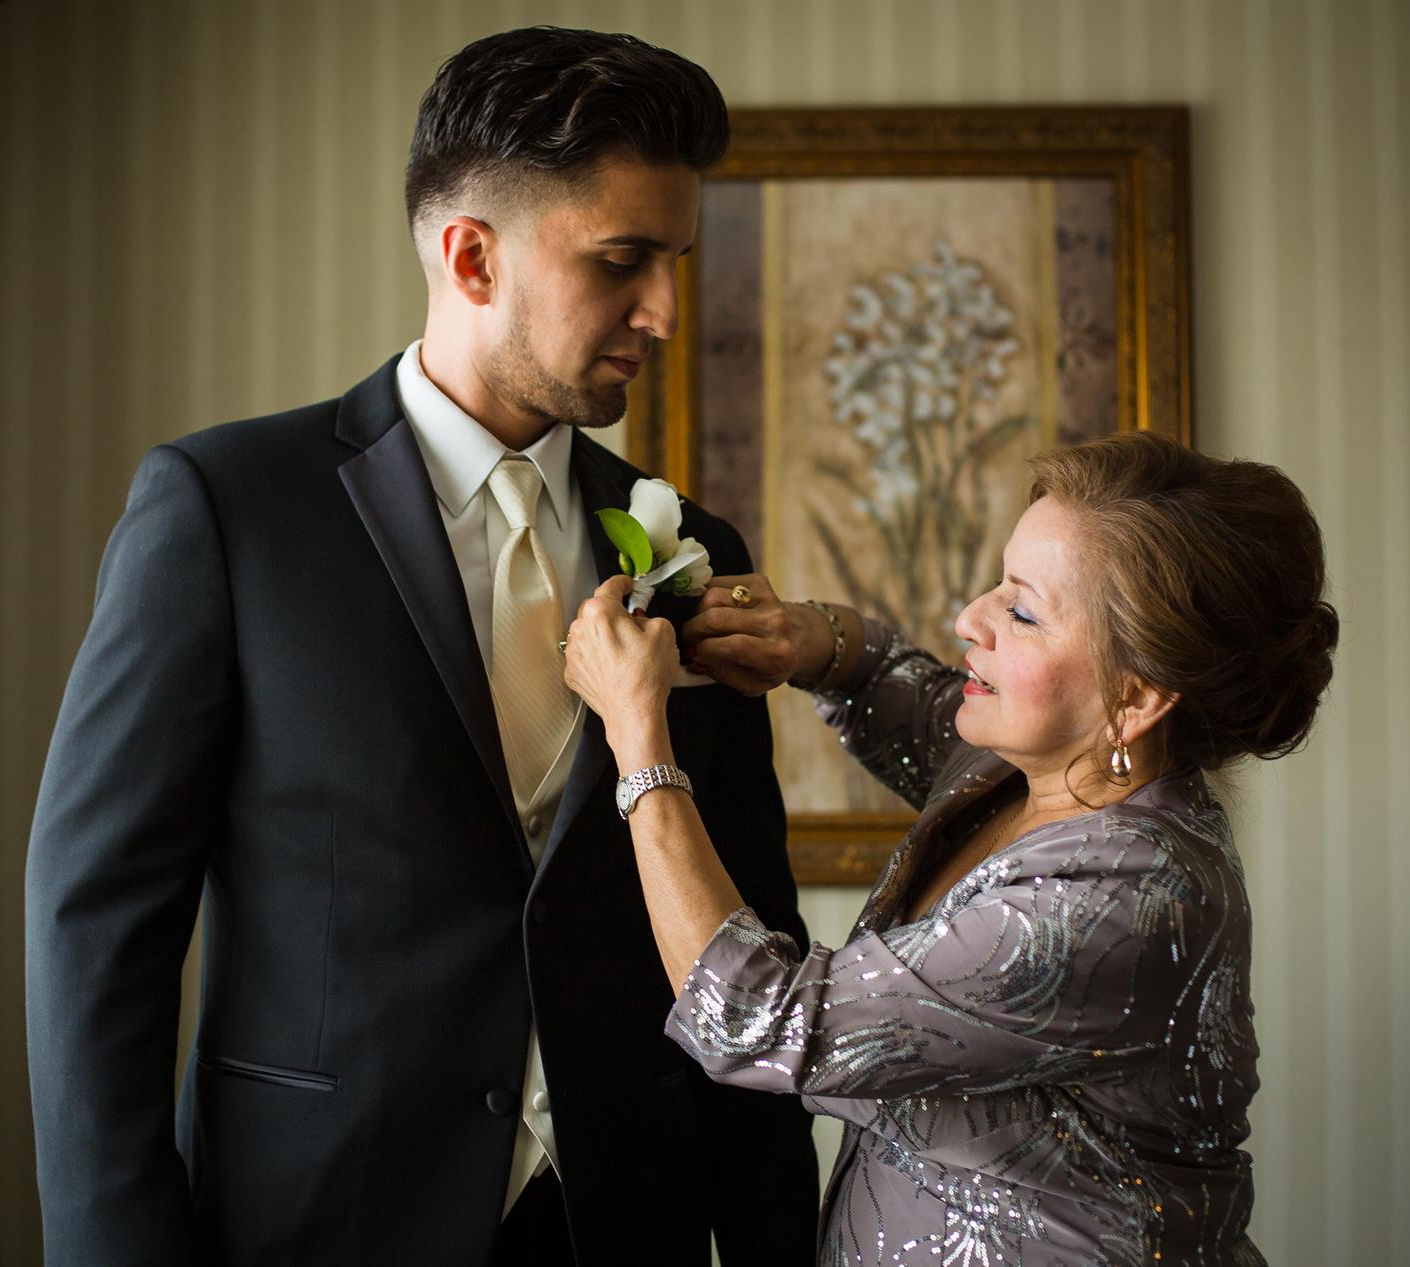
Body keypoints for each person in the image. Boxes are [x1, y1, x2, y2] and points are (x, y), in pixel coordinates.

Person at [23, 25, 817, 1267]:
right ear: (471, 256)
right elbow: (96, 924)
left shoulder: (690, 548)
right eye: (623, 261)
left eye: (673, 262)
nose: (664, 312)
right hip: (318, 1220)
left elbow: (749, 919)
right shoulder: (228, 511)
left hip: (622, 1227)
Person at [562, 431, 1338, 1265]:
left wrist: (637, 734)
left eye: (1023, 612)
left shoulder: (1117, 903)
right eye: (999, 582)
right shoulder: (1027, 767)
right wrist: (805, 637)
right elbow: (895, 684)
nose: (970, 618)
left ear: (1137, 696)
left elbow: (753, 1016)